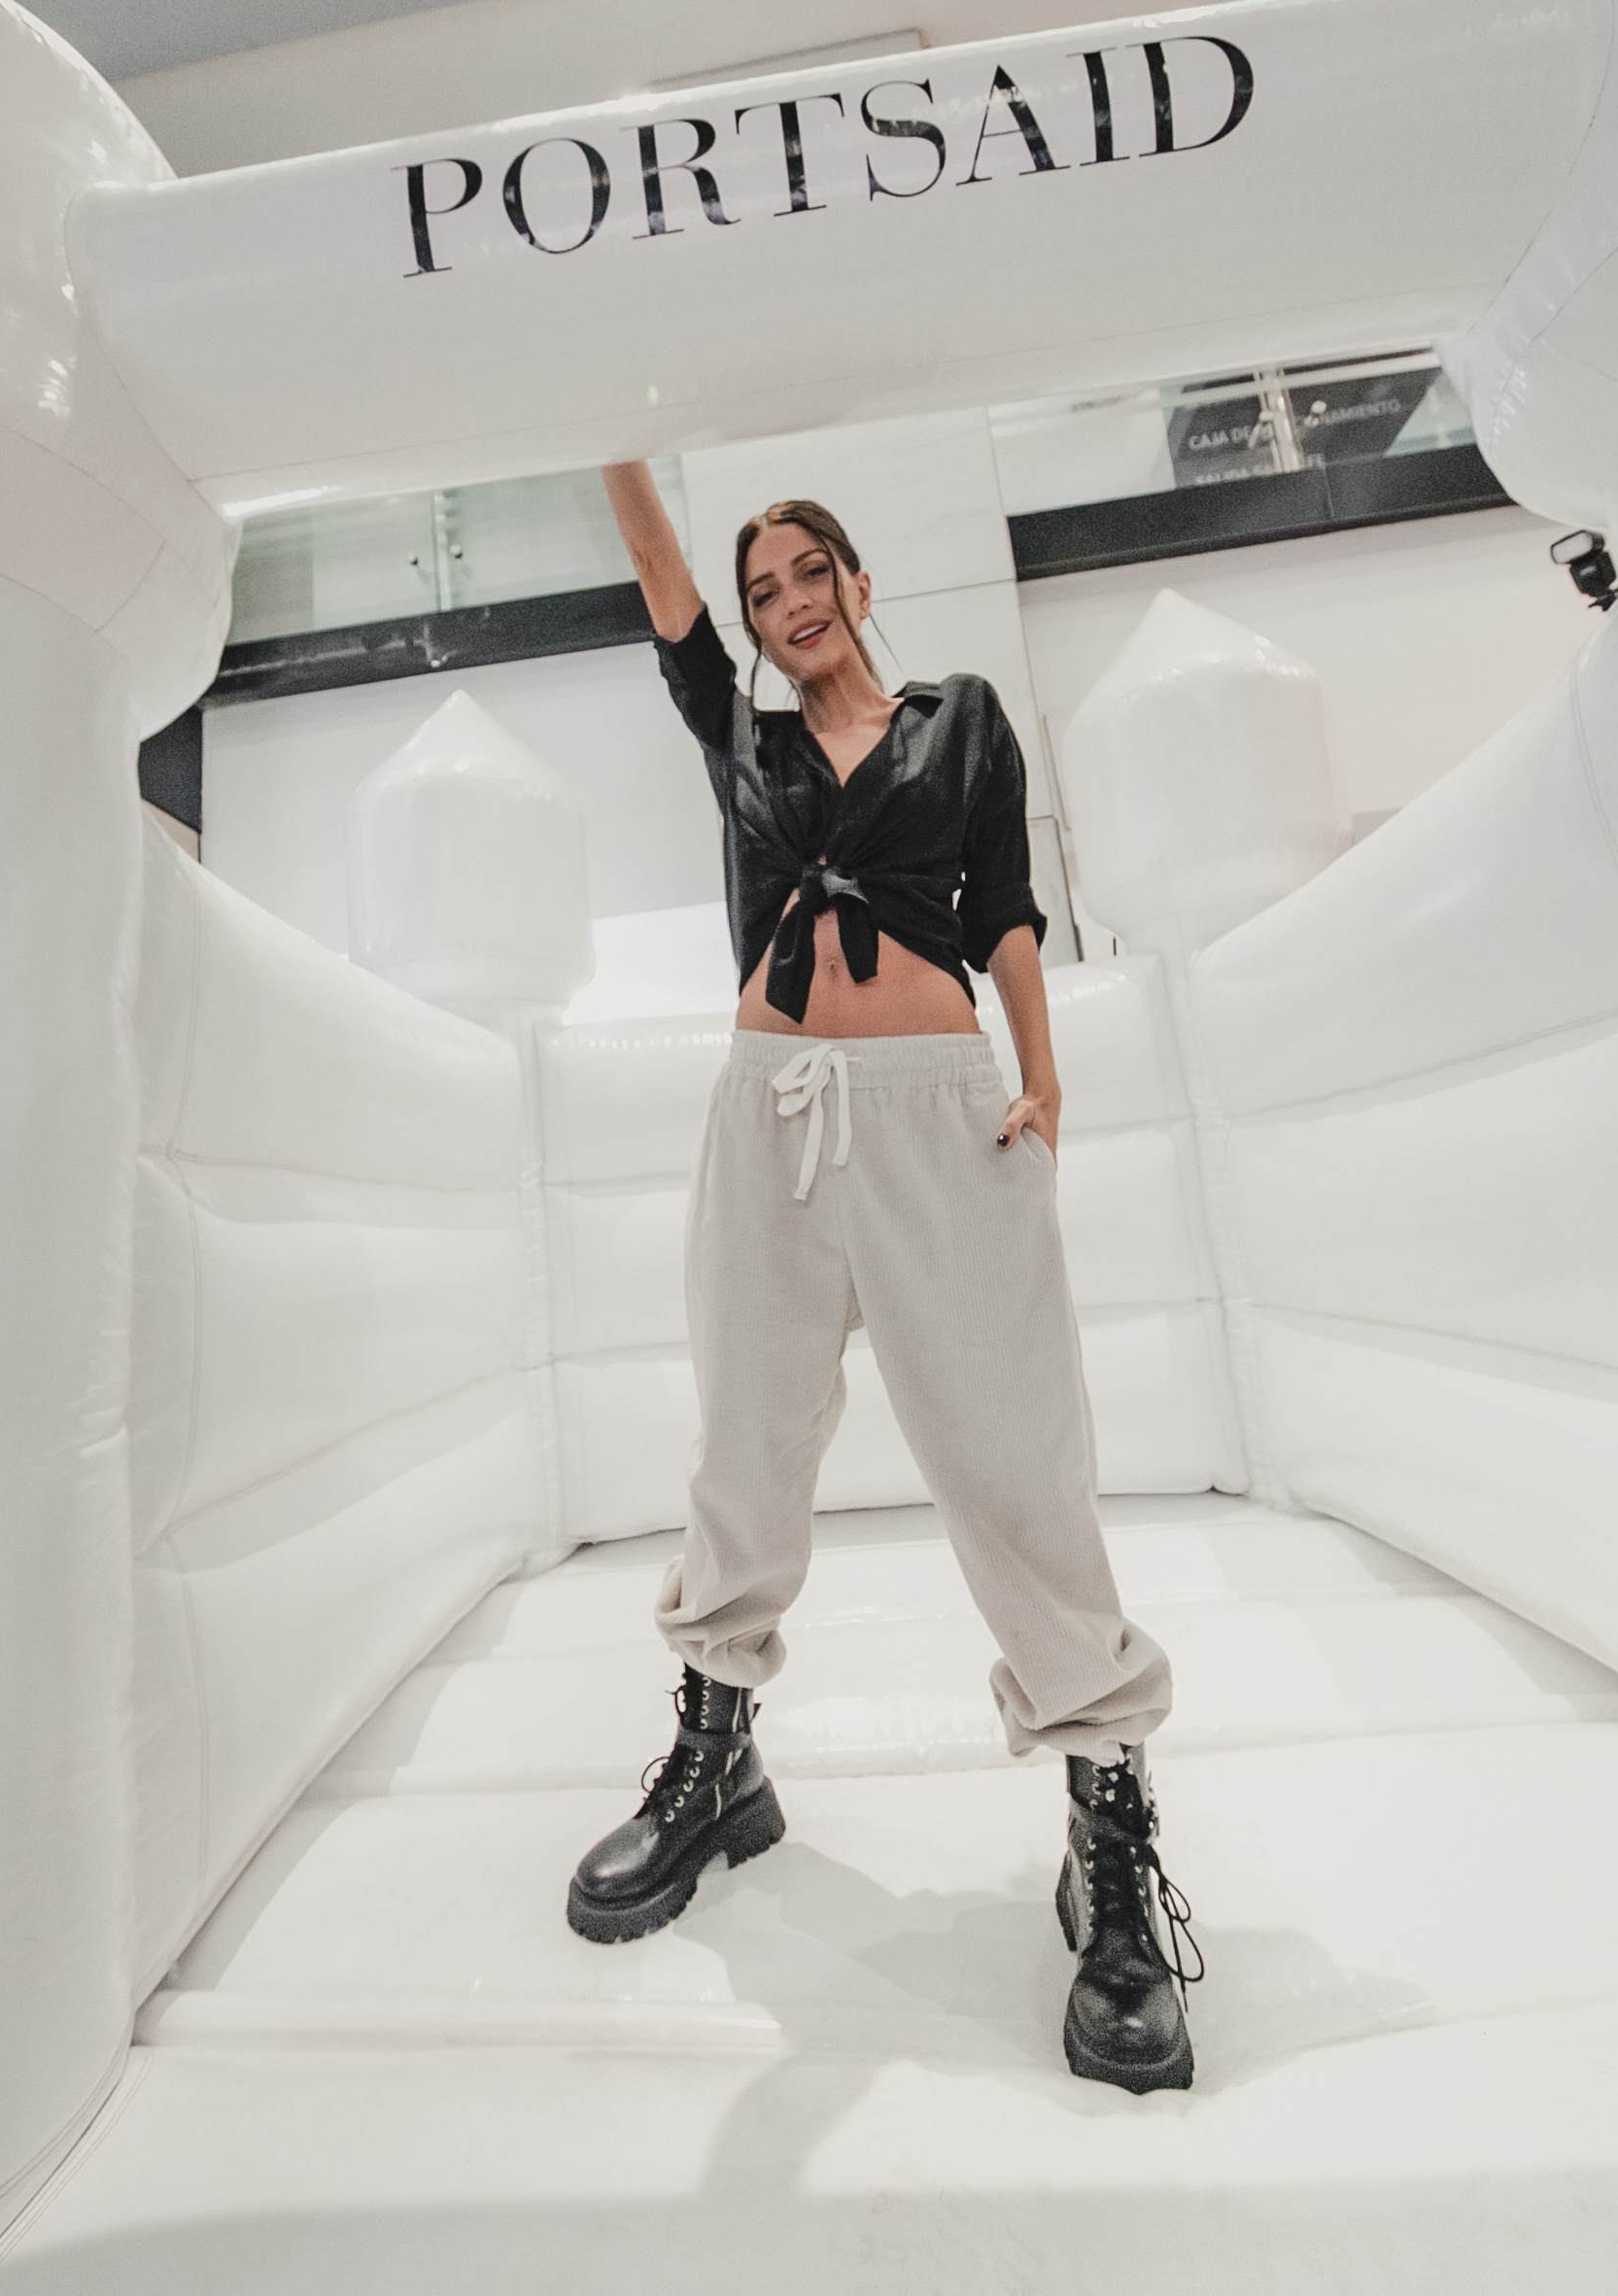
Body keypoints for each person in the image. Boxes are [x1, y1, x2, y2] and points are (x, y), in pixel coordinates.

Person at [566, 463, 1201, 2093]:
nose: (787, 602)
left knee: (1016, 1462)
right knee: (746, 1444)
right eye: (760, 589)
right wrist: (606, 423)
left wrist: (1040, 1075)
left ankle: (1107, 1830)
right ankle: (716, 1758)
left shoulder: (961, 719)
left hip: (940, 1118)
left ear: (856, 580)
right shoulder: (742, 739)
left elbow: (1007, 914)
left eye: (807, 571)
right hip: (768, 1114)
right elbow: (656, 572)